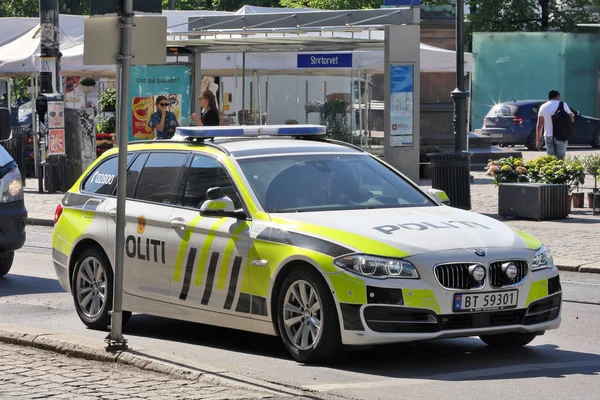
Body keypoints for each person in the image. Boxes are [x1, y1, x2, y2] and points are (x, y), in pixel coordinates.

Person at [536, 89, 574, 160]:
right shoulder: (563, 104)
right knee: (560, 158)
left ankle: (551, 170)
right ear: (558, 96)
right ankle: (560, 170)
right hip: (561, 134)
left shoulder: (543, 107)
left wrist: (538, 140)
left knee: (551, 159)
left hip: (548, 135)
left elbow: (539, 124)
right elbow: (572, 119)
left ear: (549, 97)